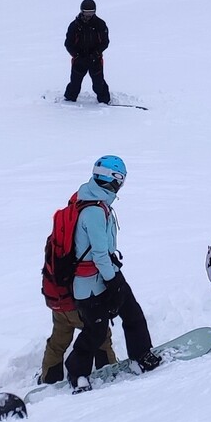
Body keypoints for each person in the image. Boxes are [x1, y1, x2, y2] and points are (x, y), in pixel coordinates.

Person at [63, 154, 160, 391]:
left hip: (106, 274)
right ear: (112, 178)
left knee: (133, 314)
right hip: (91, 281)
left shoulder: (94, 201)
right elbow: (99, 254)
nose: (121, 185)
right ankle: (77, 373)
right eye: (121, 179)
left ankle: (141, 355)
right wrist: (114, 281)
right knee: (96, 329)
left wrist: (114, 278)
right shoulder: (94, 211)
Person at [63, 0, 111, 104]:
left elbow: (105, 42)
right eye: (86, 12)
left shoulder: (100, 24)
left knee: (99, 83)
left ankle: (104, 100)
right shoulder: (75, 26)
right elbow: (68, 43)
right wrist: (77, 55)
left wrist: (96, 54)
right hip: (79, 59)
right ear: (81, 11)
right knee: (75, 82)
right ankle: (69, 99)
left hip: (95, 59)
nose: (88, 15)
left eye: (91, 12)